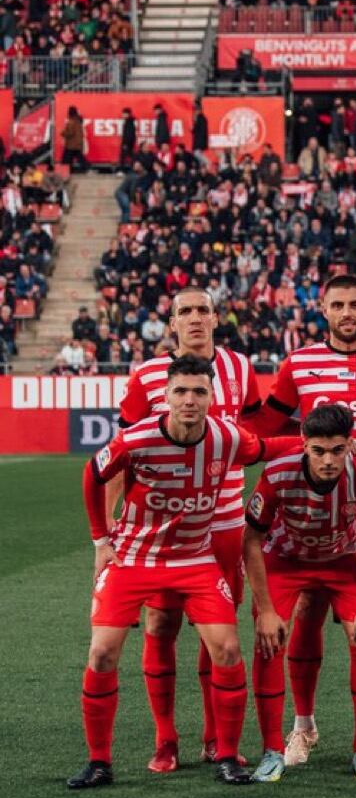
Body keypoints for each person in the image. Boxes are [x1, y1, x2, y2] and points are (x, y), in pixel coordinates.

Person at [68, 355, 297, 789]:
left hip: (195, 560)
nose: (189, 400)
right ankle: (99, 761)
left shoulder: (227, 437)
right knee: (101, 653)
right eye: (181, 391)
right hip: (134, 560)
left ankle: (226, 755)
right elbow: (92, 473)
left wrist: (319, 439)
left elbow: (268, 448)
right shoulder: (136, 440)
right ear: (166, 396)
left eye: (199, 392)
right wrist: (101, 539)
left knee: (227, 650)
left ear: (212, 397)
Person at [244, 274, 356, 766]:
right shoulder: (299, 363)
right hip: (313, 515)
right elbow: (264, 427)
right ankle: (303, 726)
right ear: (322, 310)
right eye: (338, 305)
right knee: (305, 617)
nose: (347, 313)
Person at [105, 286, 261, 772]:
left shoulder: (240, 369)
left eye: (202, 311)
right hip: (164, 531)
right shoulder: (147, 375)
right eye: (184, 312)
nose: (194, 319)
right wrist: (112, 531)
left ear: (216, 318)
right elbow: (120, 457)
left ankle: (216, 738)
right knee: (160, 624)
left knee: (218, 633)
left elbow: (254, 439)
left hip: (225, 521)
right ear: (171, 324)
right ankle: (165, 737)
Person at [243, 404, 356, 784]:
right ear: (304, 445)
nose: (328, 460)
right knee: (269, 642)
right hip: (285, 561)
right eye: (319, 451)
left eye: (337, 450)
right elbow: (252, 541)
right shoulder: (278, 473)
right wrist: (264, 609)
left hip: (342, 561)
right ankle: (273, 749)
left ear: (350, 444)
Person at [61, 106, 85, 171]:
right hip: (77, 143)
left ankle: (65, 170)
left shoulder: (71, 121)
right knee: (78, 158)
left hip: (71, 144)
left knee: (66, 159)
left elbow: (70, 132)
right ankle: (87, 168)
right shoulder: (78, 121)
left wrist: (63, 133)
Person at [119, 107, 136, 173]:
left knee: (123, 157)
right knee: (130, 156)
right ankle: (133, 169)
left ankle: (121, 170)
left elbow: (129, 134)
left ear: (128, 114)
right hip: (129, 143)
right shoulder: (129, 122)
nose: (123, 115)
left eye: (124, 114)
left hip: (127, 143)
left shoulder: (129, 122)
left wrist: (126, 144)